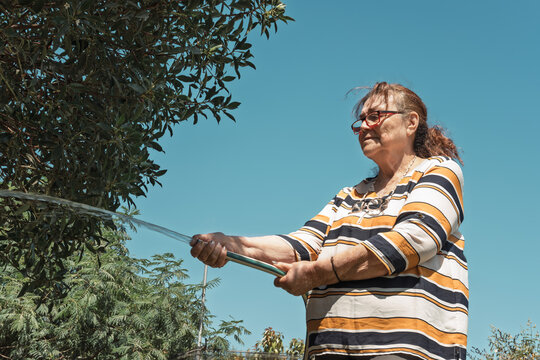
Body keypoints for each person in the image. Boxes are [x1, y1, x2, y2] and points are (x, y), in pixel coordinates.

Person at [190, 82, 468, 360]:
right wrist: (231, 246)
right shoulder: (348, 196)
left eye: (375, 116)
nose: (364, 127)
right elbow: (302, 245)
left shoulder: (438, 171)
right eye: (360, 120)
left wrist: (318, 274)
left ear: (411, 122)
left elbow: (413, 239)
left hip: (404, 351)